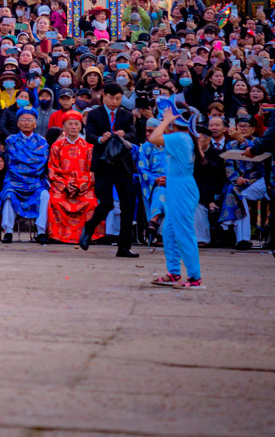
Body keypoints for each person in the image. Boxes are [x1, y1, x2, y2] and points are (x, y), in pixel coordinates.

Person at [80, 85, 140, 257]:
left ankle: (124, 246)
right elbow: (90, 136)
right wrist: (101, 138)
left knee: (128, 205)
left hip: (123, 165)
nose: (114, 102)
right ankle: (90, 227)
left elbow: (134, 135)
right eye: (111, 98)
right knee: (106, 203)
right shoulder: (94, 114)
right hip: (103, 164)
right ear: (104, 97)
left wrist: (124, 135)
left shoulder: (126, 115)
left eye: (118, 99)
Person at [147, 106, 203, 288]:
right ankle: (174, 272)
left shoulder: (180, 137)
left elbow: (153, 138)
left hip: (182, 189)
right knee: (170, 232)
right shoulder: (184, 137)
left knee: (184, 233)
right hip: (177, 185)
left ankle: (194, 277)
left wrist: (166, 121)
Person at [0, 108, 50, 243]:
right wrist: (31, 161)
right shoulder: (11, 140)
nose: (26, 123)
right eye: (23, 120)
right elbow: (12, 162)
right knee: (9, 194)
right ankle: (8, 231)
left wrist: (25, 161)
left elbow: (41, 162)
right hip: (15, 179)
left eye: (29, 120)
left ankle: (41, 231)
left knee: (45, 195)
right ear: (18, 123)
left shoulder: (42, 141)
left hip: (36, 181)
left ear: (35, 123)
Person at [46, 111, 96, 244]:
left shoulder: (89, 147)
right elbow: (52, 169)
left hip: (83, 187)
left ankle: (88, 236)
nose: (73, 127)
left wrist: (80, 186)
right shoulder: (56, 147)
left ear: (81, 126)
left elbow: (91, 171)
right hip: (62, 187)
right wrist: (65, 185)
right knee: (55, 202)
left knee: (91, 202)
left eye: (76, 124)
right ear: (64, 126)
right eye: (70, 124)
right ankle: (58, 236)